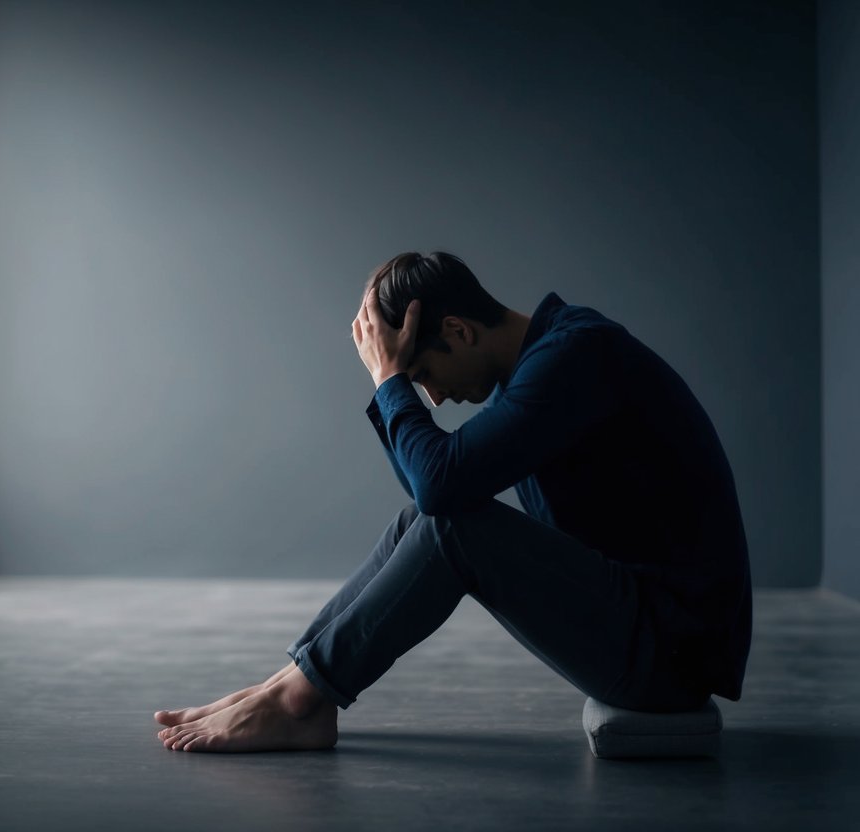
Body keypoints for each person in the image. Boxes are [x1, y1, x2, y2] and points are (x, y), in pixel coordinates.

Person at [154, 250, 752, 753]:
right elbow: (430, 489)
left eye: (424, 375)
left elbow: (442, 485)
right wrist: (390, 382)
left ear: (460, 331)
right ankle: (290, 685)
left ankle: (298, 699)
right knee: (421, 519)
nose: (433, 397)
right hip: (647, 630)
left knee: (453, 528)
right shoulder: (546, 364)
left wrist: (389, 384)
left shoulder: (576, 359)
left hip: (671, 656)